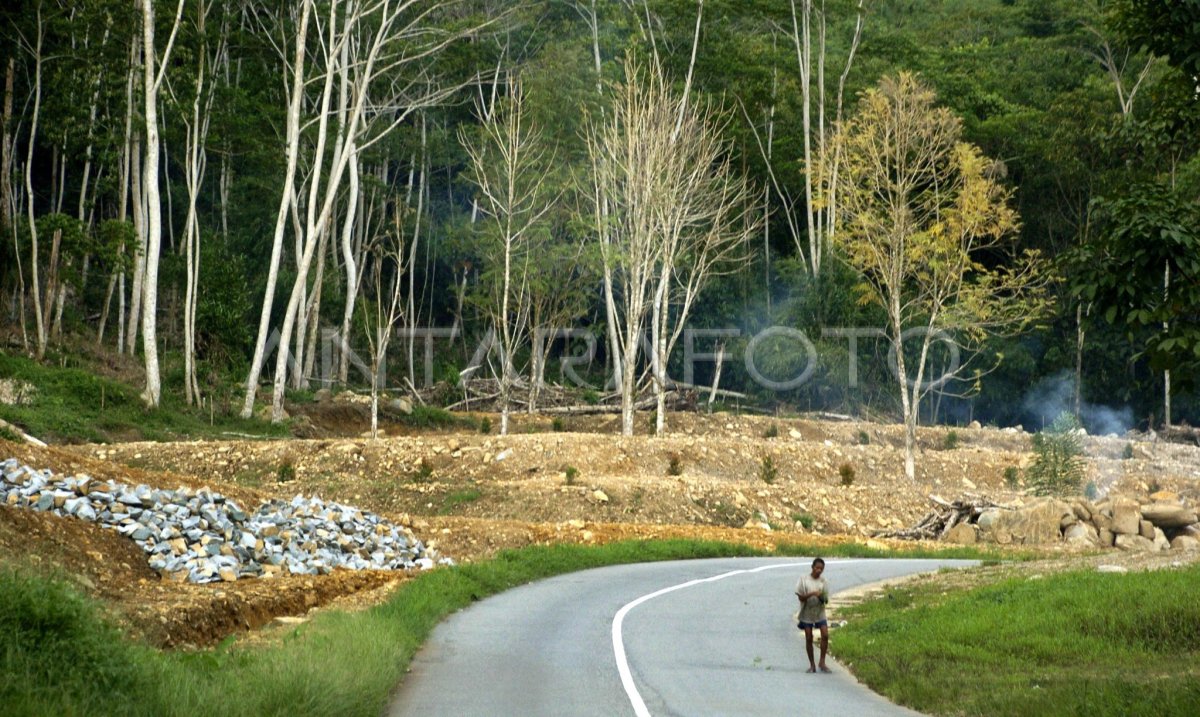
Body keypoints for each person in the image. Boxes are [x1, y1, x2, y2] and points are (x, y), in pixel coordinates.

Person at [795, 557, 831, 674]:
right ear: (812, 567)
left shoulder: (823, 581)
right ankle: (812, 665)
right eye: (817, 568)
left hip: (819, 612)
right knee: (809, 637)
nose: (819, 571)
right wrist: (813, 594)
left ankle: (822, 661)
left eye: (821, 569)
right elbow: (801, 597)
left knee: (825, 635)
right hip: (807, 612)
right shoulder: (804, 580)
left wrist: (822, 597)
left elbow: (825, 600)